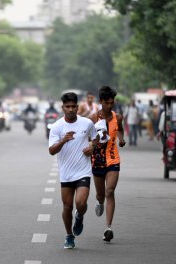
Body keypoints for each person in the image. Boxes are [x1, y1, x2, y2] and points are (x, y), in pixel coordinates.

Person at [48, 92, 97, 249]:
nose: (70, 109)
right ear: (62, 108)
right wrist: (63, 140)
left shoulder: (87, 123)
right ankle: (69, 235)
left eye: (73, 106)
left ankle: (80, 216)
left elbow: (95, 138)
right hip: (66, 173)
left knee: (81, 203)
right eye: (67, 107)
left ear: (77, 107)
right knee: (67, 206)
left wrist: (92, 147)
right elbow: (51, 150)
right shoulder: (56, 127)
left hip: (83, 170)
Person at [89, 85, 126, 243]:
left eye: (112, 102)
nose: (110, 105)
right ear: (101, 102)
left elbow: (120, 130)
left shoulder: (117, 117)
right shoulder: (92, 119)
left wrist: (121, 138)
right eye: (107, 103)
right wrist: (92, 144)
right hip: (97, 161)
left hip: (113, 159)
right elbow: (87, 139)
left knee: (110, 191)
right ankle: (99, 201)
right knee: (101, 194)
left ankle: (108, 228)